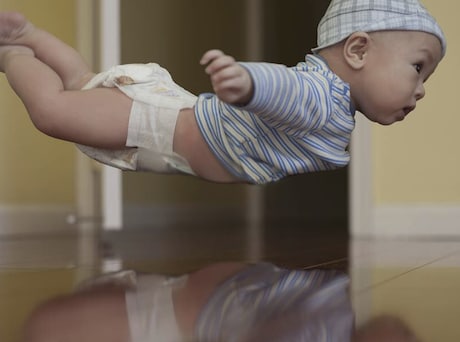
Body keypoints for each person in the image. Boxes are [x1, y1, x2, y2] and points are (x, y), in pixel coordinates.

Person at [0, 0, 446, 184]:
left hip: (164, 135)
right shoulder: (322, 96)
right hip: (160, 125)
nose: (421, 89)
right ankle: (14, 56)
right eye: (417, 68)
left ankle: (32, 36)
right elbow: (286, 87)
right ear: (358, 49)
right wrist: (249, 84)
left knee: (82, 85)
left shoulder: (336, 111)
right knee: (53, 111)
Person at [0, 261, 440, 342]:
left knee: (49, 328)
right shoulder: (328, 330)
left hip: (184, 323)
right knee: (50, 330)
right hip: (189, 314)